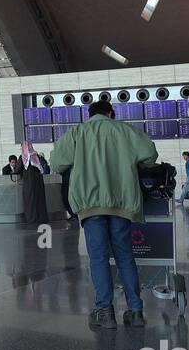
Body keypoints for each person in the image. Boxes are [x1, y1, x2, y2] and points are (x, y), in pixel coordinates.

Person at [50, 100, 159, 329]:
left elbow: (58, 163)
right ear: (110, 113)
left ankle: (105, 312)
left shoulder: (78, 132)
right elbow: (150, 154)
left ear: (90, 115)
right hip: (121, 203)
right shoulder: (125, 130)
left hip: (91, 206)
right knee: (125, 256)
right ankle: (136, 311)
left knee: (98, 257)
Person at [19, 141, 48, 224]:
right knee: (40, 201)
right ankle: (41, 218)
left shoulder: (23, 157)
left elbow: (17, 169)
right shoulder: (36, 156)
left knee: (30, 202)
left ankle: (32, 219)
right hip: (39, 184)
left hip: (29, 185)